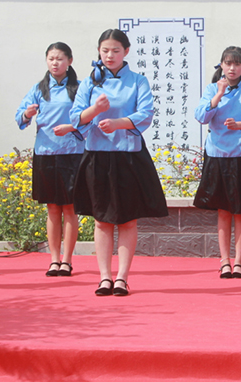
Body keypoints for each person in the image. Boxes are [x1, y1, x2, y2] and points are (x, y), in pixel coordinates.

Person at [70, 29, 168, 297]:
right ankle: (104, 277)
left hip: (128, 155)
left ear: (126, 51)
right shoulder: (90, 82)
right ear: (98, 52)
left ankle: (122, 277)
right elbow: (76, 117)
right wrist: (96, 111)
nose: (109, 55)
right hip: (97, 155)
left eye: (115, 50)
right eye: (104, 50)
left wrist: (118, 123)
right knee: (101, 220)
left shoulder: (138, 81)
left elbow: (145, 114)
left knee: (127, 219)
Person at [193, 47, 241, 279]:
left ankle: (239, 262)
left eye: (237, 64)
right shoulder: (211, 89)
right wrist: (218, 95)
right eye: (228, 63)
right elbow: (200, 116)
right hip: (218, 155)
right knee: (224, 210)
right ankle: (224, 261)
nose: (232, 68)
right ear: (221, 66)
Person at [17, 42, 84, 277]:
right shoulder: (39, 89)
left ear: (70, 61)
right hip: (45, 153)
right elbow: (20, 115)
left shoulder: (79, 88)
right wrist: (27, 114)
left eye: (59, 58)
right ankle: (53, 259)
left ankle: (67, 260)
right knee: (52, 208)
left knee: (69, 208)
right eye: (51, 58)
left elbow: (89, 119)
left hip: (72, 153)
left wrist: (71, 128)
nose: (55, 63)